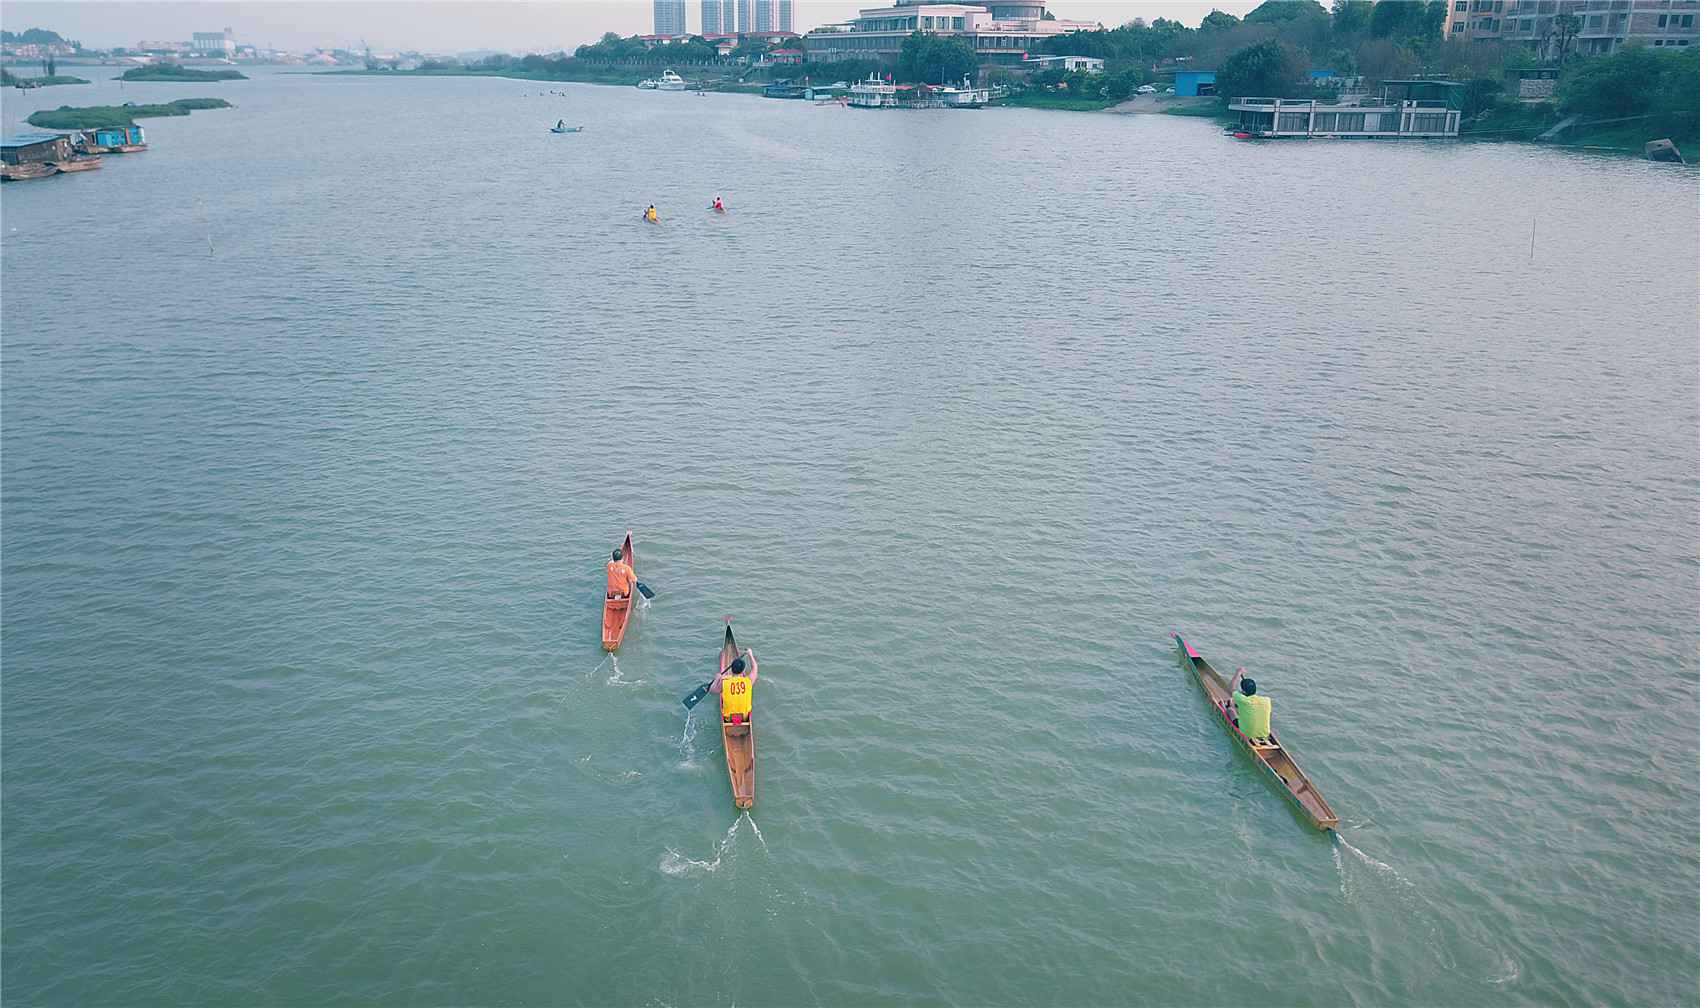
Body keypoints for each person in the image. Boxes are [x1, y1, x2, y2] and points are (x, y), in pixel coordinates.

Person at [710, 650, 758, 726]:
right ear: (743, 671)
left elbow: (712, 690)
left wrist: (717, 679)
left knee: (723, 694)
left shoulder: (724, 683)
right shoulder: (749, 681)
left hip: (729, 719)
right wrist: (750, 654)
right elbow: (754, 667)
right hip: (744, 718)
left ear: (731, 670)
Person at [1227, 667, 1272, 741]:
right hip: (1265, 734)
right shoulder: (1267, 700)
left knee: (1230, 710)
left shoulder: (1243, 700)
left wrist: (1238, 673)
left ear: (1243, 692)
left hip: (1247, 733)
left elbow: (1231, 688)